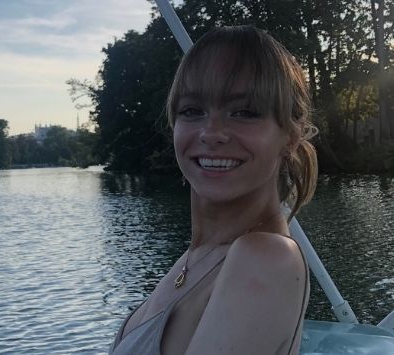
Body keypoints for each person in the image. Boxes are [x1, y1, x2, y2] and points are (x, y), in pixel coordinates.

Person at [109, 25, 318, 355]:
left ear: (290, 135)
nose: (212, 132)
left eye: (244, 112)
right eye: (192, 111)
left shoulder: (264, 258)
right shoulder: (199, 255)